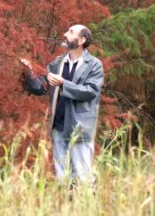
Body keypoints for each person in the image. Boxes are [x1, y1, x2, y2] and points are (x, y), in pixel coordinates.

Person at [20, 24, 104, 184]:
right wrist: (29, 73)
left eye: (71, 32)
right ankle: (66, 207)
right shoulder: (57, 63)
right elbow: (41, 87)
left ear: (81, 40)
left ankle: (87, 207)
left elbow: (91, 91)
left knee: (83, 176)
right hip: (58, 127)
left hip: (80, 128)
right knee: (63, 178)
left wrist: (64, 83)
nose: (65, 34)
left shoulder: (94, 65)